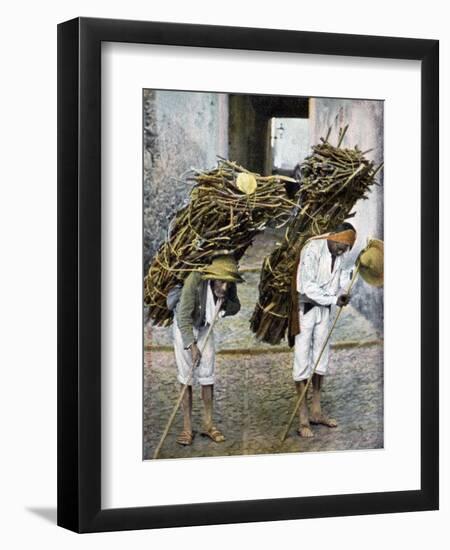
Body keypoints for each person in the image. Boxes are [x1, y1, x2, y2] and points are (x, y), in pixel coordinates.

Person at [290, 222, 356, 438]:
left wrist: (344, 292)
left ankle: (316, 411)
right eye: (342, 245)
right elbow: (306, 286)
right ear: (333, 236)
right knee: (302, 360)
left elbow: (340, 283)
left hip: (325, 311)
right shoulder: (311, 250)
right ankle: (302, 418)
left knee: (321, 358)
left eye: (347, 248)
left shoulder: (340, 255)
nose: (343, 251)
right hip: (305, 310)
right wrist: (333, 298)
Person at [172, 254, 243, 446]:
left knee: (207, 374)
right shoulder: (194, 281)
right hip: (184, 327)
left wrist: (223, 305)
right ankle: (187, 428)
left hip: (205, 326)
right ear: (212, 278)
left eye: (228, 283)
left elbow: (236, 306)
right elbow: (183, 318)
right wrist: (191, 345)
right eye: (221, 283)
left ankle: (208, 424)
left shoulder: (228, 282)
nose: (225, 287)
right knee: (186, 376)